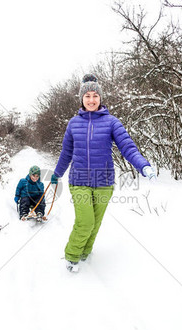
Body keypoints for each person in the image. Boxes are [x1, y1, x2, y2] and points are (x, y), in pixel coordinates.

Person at [51, 74, 156, 272]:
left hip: (104, 181)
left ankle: (85, 252)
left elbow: (127, 147)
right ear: (81, 98)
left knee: (95, 223)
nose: (91, 100)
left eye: (95, 96)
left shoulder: (112, 122)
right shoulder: (73, 123)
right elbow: (66, 152)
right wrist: (57, 174)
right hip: (79, 180)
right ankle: (72, 257)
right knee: (85, 221)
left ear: (101, 98)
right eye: (87, 96)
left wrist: (143, 165)